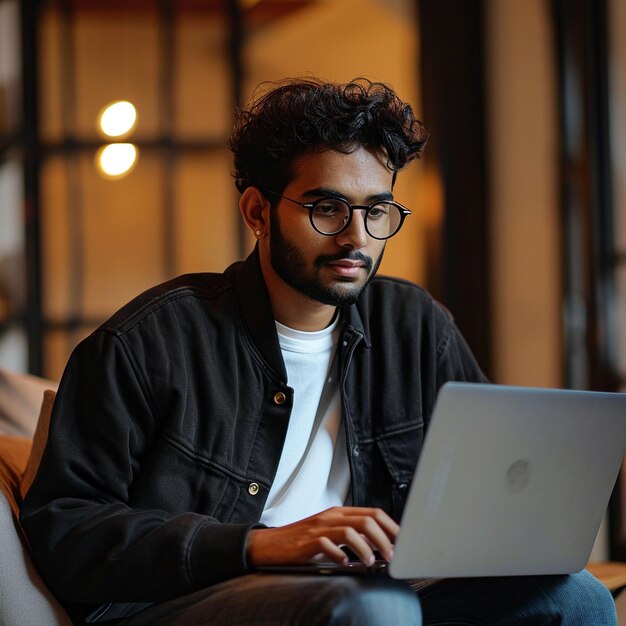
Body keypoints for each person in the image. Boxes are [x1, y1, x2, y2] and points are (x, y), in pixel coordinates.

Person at [21, 77, 616, 625]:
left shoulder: (413, 325)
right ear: (258, 211)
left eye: (377, 210)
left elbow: (487, 482)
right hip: (191, 603)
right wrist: (259, 545)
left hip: (382, 595)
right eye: (327, 208)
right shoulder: (150, 342)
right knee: (375, 609)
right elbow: (66, 530)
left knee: (574, 597)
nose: (357, 237)